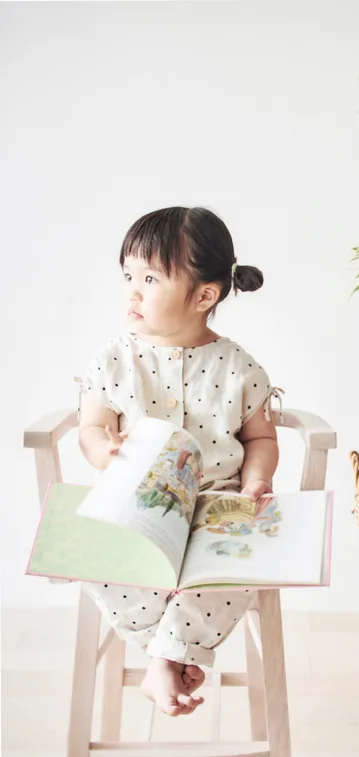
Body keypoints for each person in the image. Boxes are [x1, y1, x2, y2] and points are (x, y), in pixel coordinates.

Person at [79, 206, 282, 717]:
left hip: (216, 504)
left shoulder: (238, 366)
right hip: (138, 503)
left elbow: (261, 438)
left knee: (237, 564)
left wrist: (256, 481)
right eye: (128, 275)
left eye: (149, 279)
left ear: (204, 296)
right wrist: (103, 451)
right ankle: (170, 650)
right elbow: (90, 428)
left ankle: (165, 657)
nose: (132, 291)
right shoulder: (114, 360)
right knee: (100, 556)